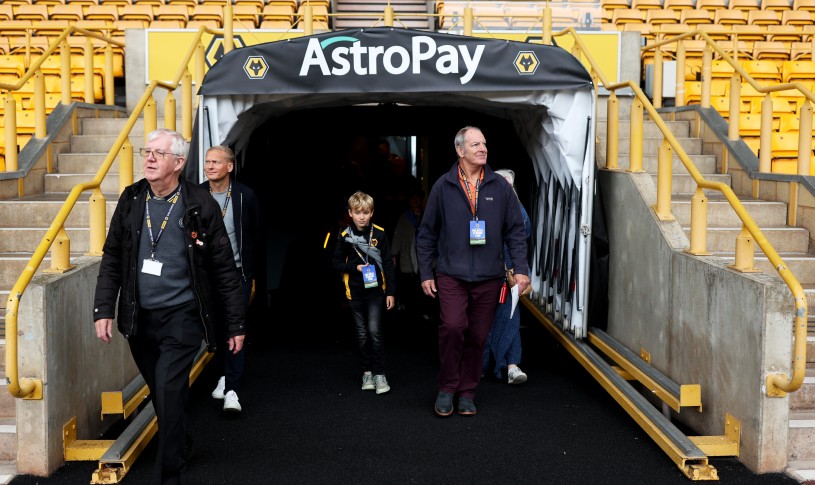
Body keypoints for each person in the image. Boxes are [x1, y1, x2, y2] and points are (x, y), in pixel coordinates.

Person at [93, 129, 245, 485]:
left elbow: (224, 266)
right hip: (139, 318)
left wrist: (235, 324)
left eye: (158, 153)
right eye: (147, 151)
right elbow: (113, 255)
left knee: (169, 387)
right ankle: (182, 443)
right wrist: (103, 309)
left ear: (178, 163)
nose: (148, 158)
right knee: (163, 394)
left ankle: (169, 474)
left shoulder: (198, 203)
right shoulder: (132, 200)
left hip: (184, 316)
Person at [417, 126, 530, 417]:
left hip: (489, 277)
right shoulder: (444, 186)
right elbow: (427, 233)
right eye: (475, 144)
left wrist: (521, 270)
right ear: (460, 150)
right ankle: (447, 387)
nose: (483, 148)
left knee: (478, 335)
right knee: (453, 327)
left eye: (484, 143)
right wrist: (426, 274)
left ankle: (467, 391)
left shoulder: (500, 187)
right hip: (451, 274)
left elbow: (516, 231)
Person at [201, 145, 261, 413]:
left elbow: (256, 235)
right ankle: (224, 375)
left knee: (235, 328)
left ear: (229, 166)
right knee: (214, 329)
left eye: (216, 162)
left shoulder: (244, 195)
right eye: (207, 161)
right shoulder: (197, 194)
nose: (210, 166)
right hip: (207, 276)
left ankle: (232, 389)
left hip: (237, 275)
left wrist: (252, 274)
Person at [332, 191, 396, 395]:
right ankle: (366, 372)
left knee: (375, 332)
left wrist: (391, 292)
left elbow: (388, 264)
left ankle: (379, 373)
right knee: (361, 334)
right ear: (350, 213)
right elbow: (335, 263)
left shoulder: (379, 233)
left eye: (365, 212)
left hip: (376, 291)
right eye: (357, 212)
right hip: (355, 293)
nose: (362, 216)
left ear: (372, 213)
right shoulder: (345, 236)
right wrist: (354, 269)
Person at [482, 169, 532, 385]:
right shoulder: (481, 209)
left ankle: (512, 366)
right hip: (484, 274)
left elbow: (523, 237)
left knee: (510, 317)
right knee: (481, 319)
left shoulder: (518, 211)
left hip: (508, 276)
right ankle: (481, 365)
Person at [390, 190, 431, 320]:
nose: (414, 201)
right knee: (409, 285)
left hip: (425, 257)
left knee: (425, 285)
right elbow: (398, 237)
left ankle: (424, 311)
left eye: (417, 198)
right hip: (408, 258)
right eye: (412, 198)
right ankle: (408, 310)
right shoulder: (404, 217)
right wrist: (394, 254)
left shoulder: (427, 215)